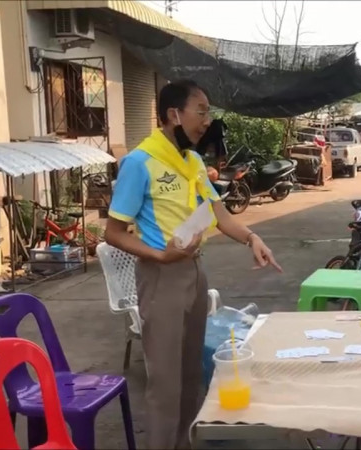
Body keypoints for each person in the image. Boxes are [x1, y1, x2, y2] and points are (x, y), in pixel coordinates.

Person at [105, 79, 282, 449]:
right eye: (200, 112)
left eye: (208, 113)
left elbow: (219, 215)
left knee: (191, 377)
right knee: (165, 384)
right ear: (174, 114)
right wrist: (159, 255)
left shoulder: (193, 161)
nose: (207, 121)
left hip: (194, 273)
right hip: (160, 275)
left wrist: (252, 238)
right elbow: (113, 232)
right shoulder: (140, 163)